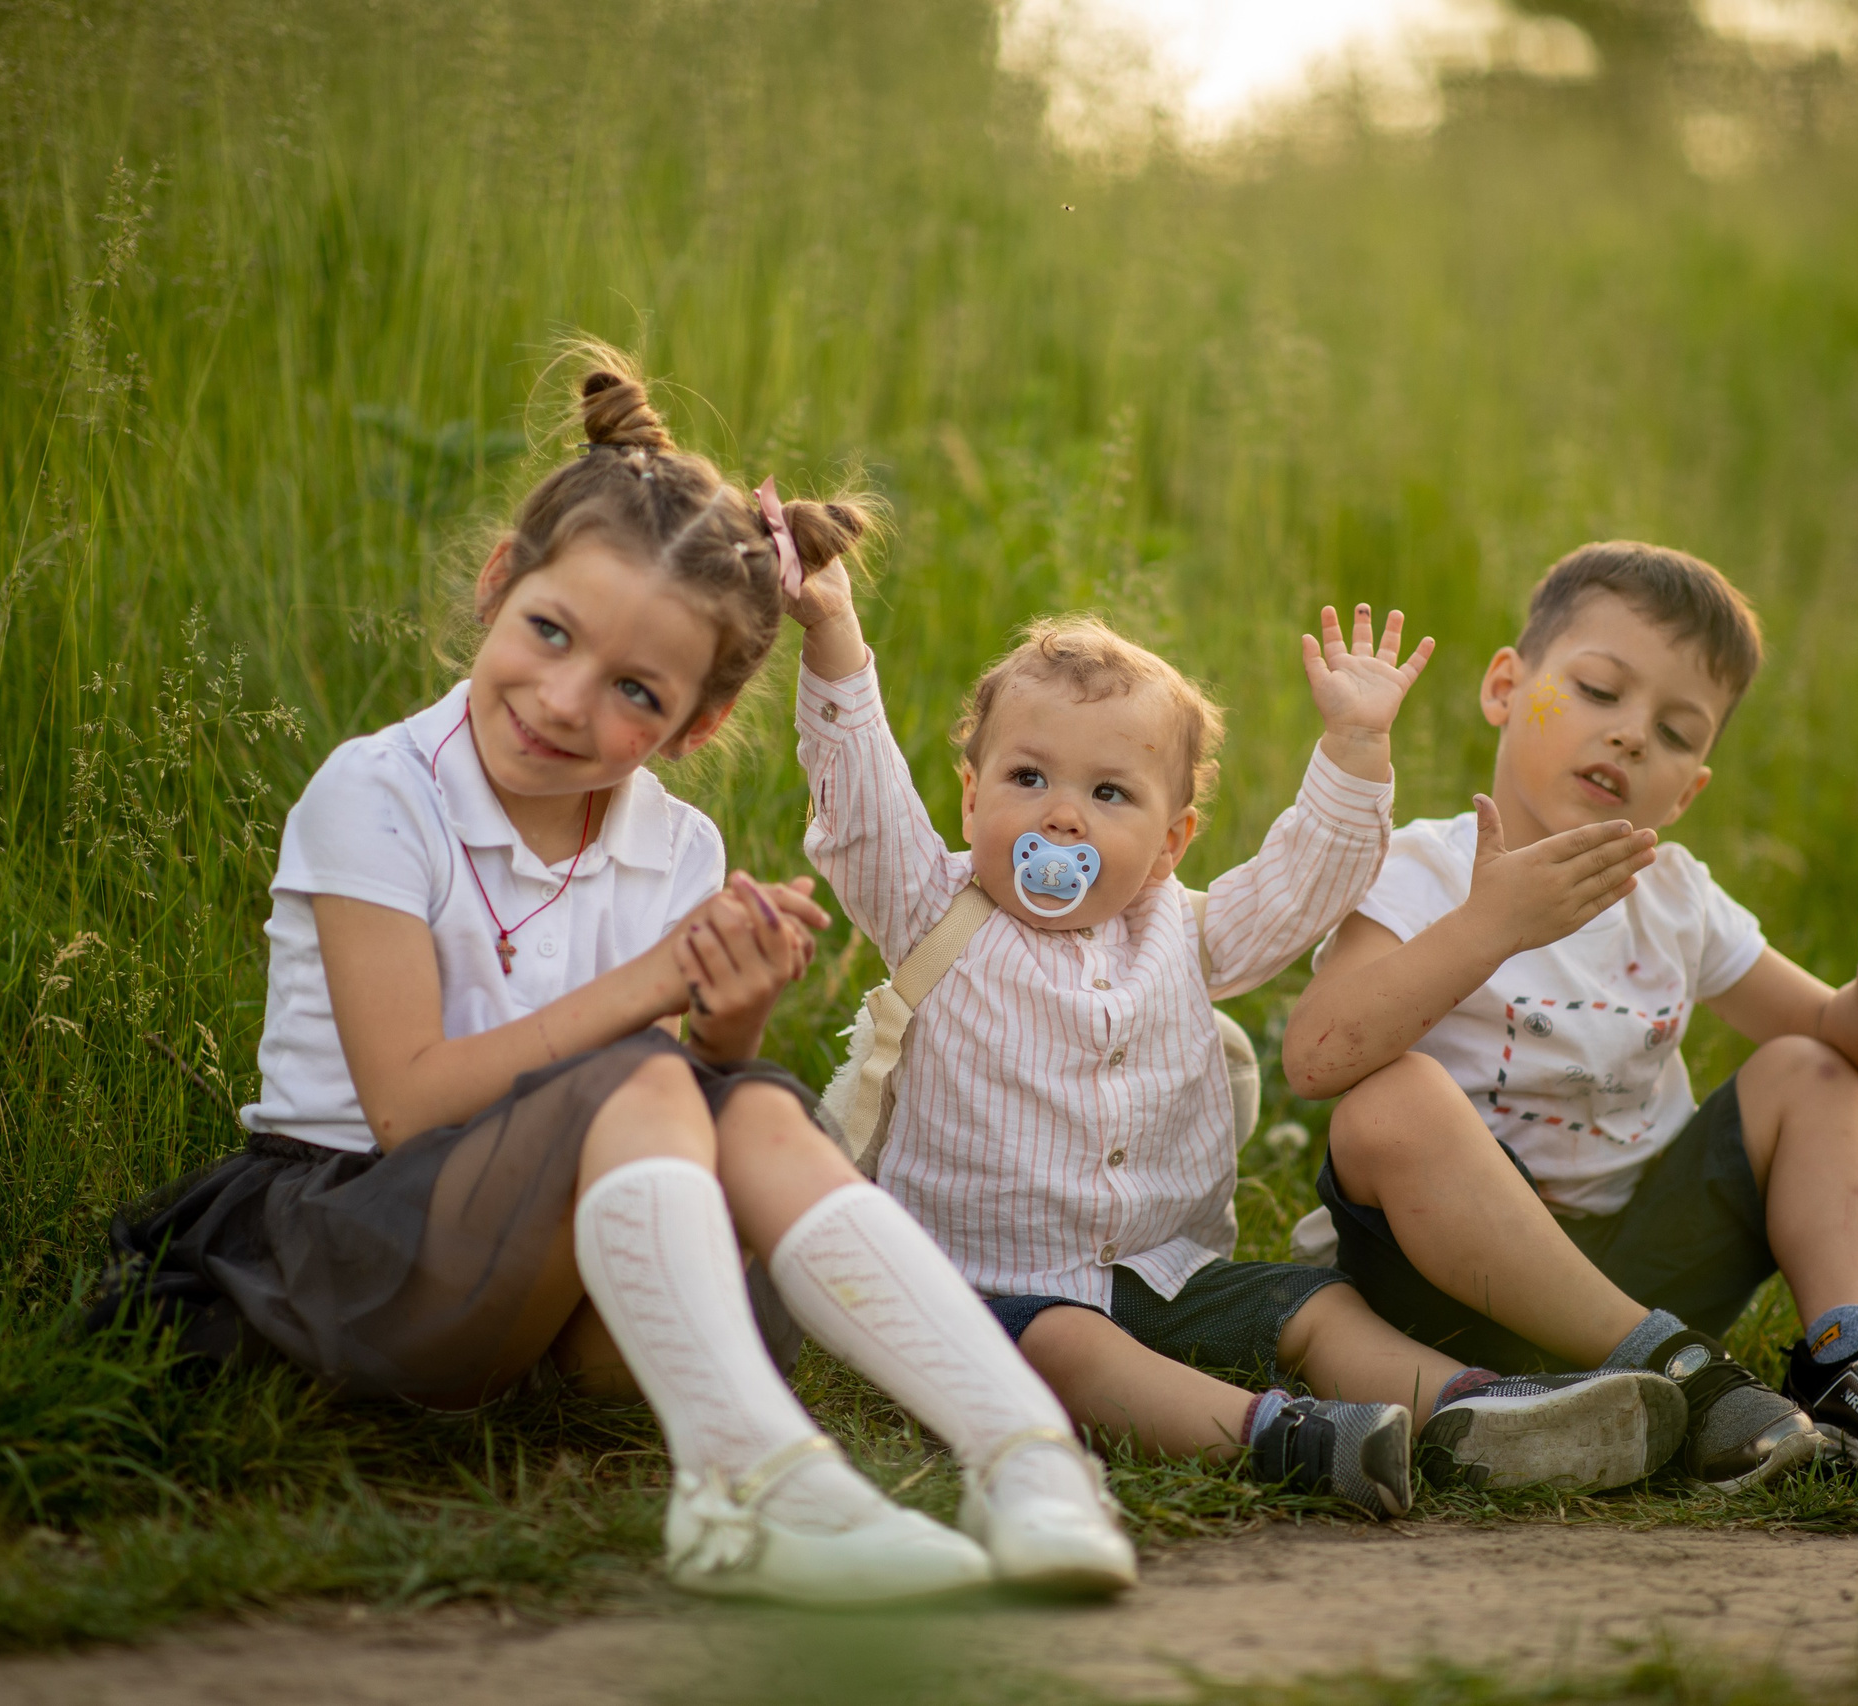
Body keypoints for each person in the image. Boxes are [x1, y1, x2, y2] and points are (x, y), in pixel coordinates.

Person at [96, 348, 1138, 1604]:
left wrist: (732, 1012)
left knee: (747, 1100)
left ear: (692, 727)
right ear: (498, 584)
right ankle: (748, 1487)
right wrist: (654, 985)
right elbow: (410, 1108)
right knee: (638, 1070)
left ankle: (1021, 1453)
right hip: (355, 1246)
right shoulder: (374, 794)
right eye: (549, 631)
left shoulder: (675, 842)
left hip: (559, 1280)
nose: (563, 700)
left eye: (635, 689)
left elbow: (682, 1105)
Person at [786, 567, 1690, 1518]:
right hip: (988, 1288)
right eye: (1027, 777)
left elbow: (1307, 882)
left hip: (1168, 1272)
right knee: (1065, 1349)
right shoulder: (931, 906)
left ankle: (1476, 1410)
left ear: (1171, 841)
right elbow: (862, 799)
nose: (1063, 815)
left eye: (1109, 793)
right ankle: (1285, 1437)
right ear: (971, 800)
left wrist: (1354, 745)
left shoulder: (1184, 930)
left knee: (1314, 1309)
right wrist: (834, 632)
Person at [1282, 541, 1858, 1492]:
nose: (1630, 737)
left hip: (1644, 1271)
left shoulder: (1674, 897)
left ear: (1691, 788)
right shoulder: (1421, 869)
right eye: (1599, 691)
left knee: (1807, 1070)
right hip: (1449, 1276)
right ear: (1505, 685)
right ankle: (1678, 1376)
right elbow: (1317, 1058)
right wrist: (1488, 925)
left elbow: (1843, 1051)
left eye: (1675, 732)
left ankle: (1854, 1362)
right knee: (1387, 1105)